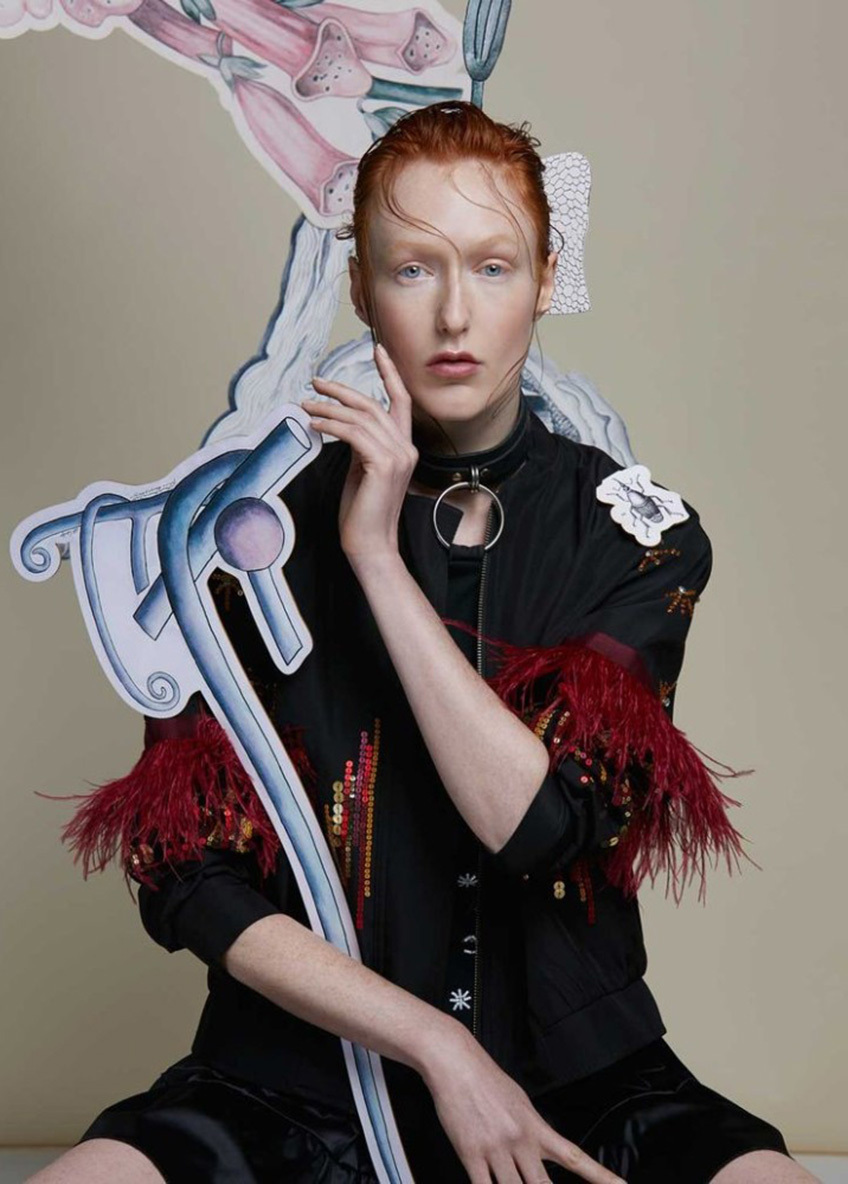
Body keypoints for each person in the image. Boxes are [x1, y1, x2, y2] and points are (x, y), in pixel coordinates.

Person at [29, 101, 814, 1184]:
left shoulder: (640, 537)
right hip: (291, 1082)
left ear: (546, 279)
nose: (454, 313)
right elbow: (187, 878)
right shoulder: (243, 537)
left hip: (579, 1080)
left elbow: (537, 826)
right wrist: (435, 1044)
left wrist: (379, 562)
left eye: (492, 267)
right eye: (412, 270)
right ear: (361, 288)